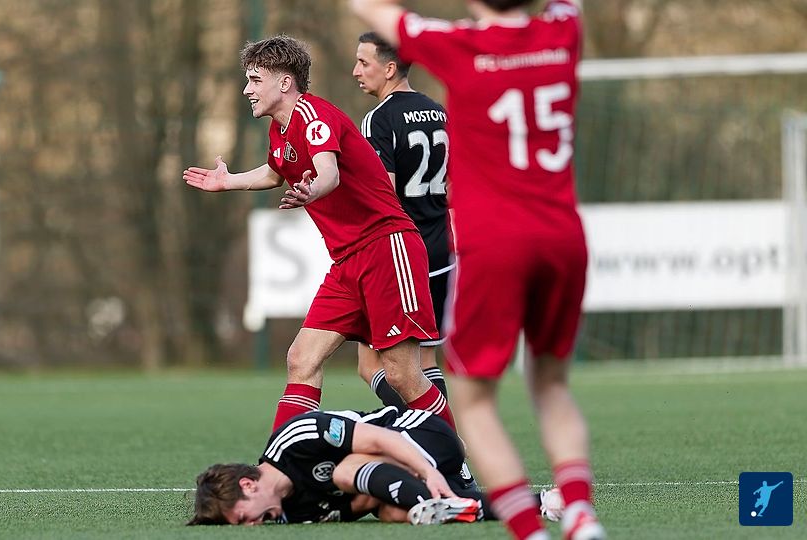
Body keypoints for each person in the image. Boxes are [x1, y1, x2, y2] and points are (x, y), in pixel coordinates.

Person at [349, 1, 605, 539]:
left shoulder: (459, 49)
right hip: (562, 235)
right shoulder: (563, 31)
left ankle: (526, 527)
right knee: (551, 385)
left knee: (471, 398)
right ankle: (580, 514)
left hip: (486, 244)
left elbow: (381, 12)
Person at [184, 35, 454, 431]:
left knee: (402, 373)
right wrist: (228, 181)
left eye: (255, 80)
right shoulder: (279, 130)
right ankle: (279, 463)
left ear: (285, 82)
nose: (246, 90)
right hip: (347, 260)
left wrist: (313, 190)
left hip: (386, 246)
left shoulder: (314, 116)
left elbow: (328, 171)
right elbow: (274, 172)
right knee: (302, 359)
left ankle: (453, 456)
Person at [187, 406, 565, 526]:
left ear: (248, 486)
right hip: (405, 477)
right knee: (392, 513)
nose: (251, 527)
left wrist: (429, 472)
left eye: (243, 518)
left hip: (420, 434)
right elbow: (365, 502)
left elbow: (381, 440)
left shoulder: (295, 438)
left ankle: (448, 498)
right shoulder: (293, 512)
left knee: (345, 471)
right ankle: (543, 503)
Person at [351, 31, 454, 416]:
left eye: (364, 62)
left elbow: (383, 195)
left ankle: (432, 435)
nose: (356, 71)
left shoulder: (379, 119)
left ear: (390, 68)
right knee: (425, 360)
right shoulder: (439, 112)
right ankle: (442, 436)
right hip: (440, 249)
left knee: (372, 365)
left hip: (400, 253)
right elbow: (455, 184)